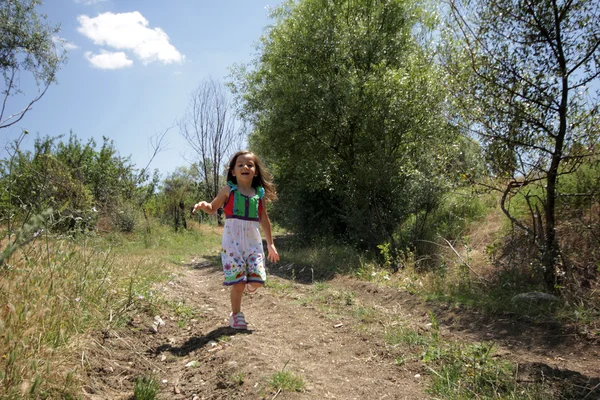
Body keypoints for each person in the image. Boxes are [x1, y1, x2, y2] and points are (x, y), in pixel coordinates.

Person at [192, 151, 280, 329]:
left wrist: (270, 244)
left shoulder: (259, 193)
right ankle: (236, 315)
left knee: (257, 281)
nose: (245, 167)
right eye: (240, 165)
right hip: (232, 243)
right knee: (238, 283)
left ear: (255, 171)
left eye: (250, 164)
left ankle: (250, 286)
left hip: (253, 243)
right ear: (233, 171)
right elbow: (212, 208)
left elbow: (264, 218)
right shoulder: (228, 190)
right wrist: (204, 205)